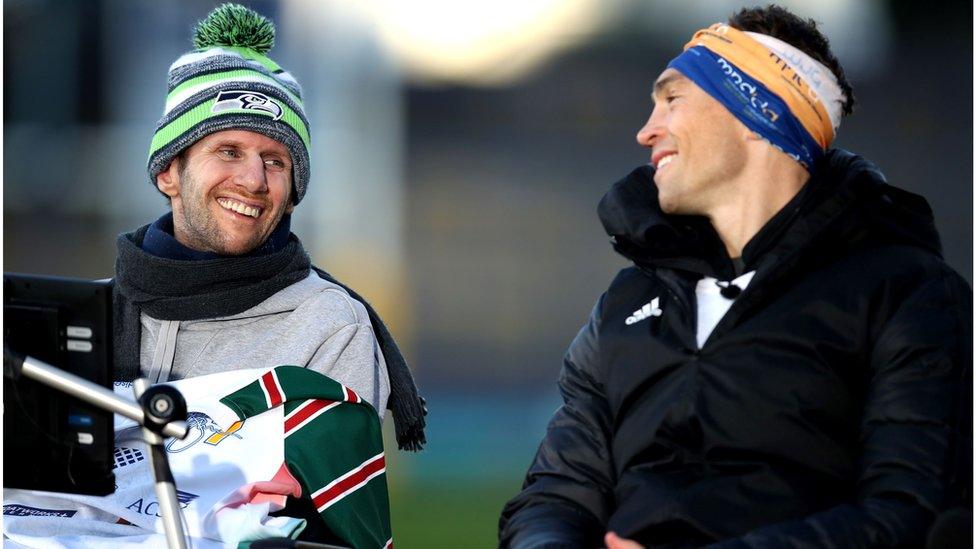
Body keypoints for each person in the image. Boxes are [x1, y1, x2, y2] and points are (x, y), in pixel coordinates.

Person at [499, 5, 972, 548]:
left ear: (758, 110)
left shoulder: (907, 295)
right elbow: (555, 497)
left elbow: (911, 517)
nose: (646, 131)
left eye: (672, 99)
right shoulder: (623, 306)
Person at [111, 4, 426, 450]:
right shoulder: (94, 317)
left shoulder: (329, 326)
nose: (254, 180)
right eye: (229, 151)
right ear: (168, 172)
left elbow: (320, 511)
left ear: (294, 193)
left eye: (275, 161)